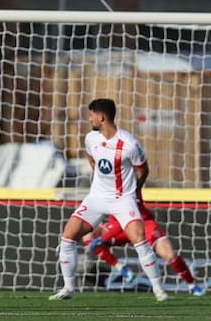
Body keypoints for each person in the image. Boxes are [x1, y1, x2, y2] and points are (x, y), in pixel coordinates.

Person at [49, 98, 167, 302]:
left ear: (101, 117)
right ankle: (68, 288)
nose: (90, 118)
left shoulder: (129, 144)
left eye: (92, 115)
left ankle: (159, 290)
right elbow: (91, 157)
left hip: (123, 199)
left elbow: (143, 170)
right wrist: (99, 181)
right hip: (96, 197)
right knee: (68, 236)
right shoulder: (91, 139)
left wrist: (132, 191)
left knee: (139, 239)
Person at [84, 189, 205, 296]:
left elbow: (142, 170)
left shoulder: (132, 178)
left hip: (143, 224)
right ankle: (121, 268)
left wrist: (104, 238)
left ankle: (192, 286)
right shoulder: (104, 183)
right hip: (119, 226)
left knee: (170, 255)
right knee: (88, 237)